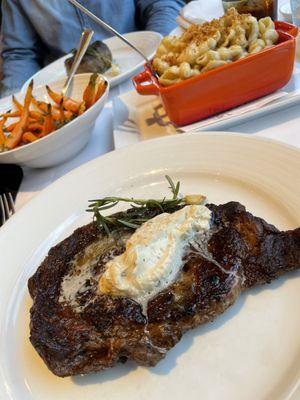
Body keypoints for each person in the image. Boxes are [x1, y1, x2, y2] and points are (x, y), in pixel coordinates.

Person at [0, 0, 184, 97]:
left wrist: (159, 55)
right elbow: (20, 55)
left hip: (144, 74)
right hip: (73, 94)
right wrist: (13, 103)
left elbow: (162, 6)